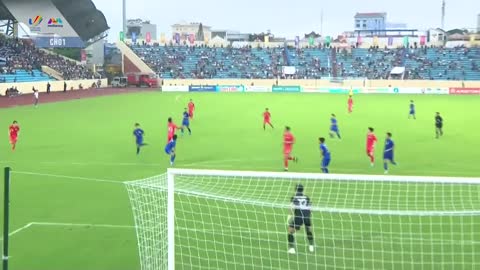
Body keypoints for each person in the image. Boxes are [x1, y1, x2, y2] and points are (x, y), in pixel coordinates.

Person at [287, 184, 314, 254]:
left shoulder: (294, 198)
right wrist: (308, 215)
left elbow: (291, 208)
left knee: (290, 231)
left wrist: (289, 217)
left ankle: (292, 249)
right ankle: (311, 246)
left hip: (299, 217)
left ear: (295, 190)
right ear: (303, 190)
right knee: (308, 230)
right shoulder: (306, 197)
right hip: (307, 216)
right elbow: (311, 208)